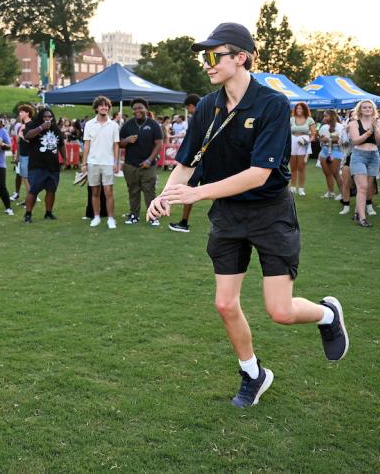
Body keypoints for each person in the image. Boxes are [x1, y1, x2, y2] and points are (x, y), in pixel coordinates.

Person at [147, 22, 348, 408]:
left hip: (270, 212)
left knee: (281, 311)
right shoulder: (207, 105)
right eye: (204, 57)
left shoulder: (272, 104)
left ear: (240, 58)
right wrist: (167, 194)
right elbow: (187, 162)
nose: (206, 64)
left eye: (213, 56)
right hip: (228, 215)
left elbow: (259, 174)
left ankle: (327, 314)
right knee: (224, 303)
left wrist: (196, 193)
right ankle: (253, 373)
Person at [119, 97, 163, 226]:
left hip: (148, 165)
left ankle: (153, 216)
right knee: (133, 190)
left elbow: (159, 144)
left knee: (149, 190)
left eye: (140, 108)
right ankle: (134, 215)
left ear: (146, 109)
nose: (137, 110)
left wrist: (149, 160)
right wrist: (126, 140)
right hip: (130, 164)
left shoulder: (153, 124)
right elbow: (119, 143)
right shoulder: (128, 124)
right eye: (135, 108)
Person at [81, 96, 121, 229]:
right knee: (95, 192)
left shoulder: (114, 125)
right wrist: (84, 163)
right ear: (97, 108)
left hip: (108, 163)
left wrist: (116, 162)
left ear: (109, 108)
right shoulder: (89, 124)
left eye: (106, 106)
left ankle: (111, 218)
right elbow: (86, 144)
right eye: (101, 105)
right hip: (93, 162)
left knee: (109, 192)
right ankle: (96, 217)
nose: (104, 108)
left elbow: (116, 145)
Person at [22, 108, 66, 222]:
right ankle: (28, 213)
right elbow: (27, 136)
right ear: (41, 117)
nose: (48, 119)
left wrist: (65, 159)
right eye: (45, 117)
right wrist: (41, 127)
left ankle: (48, 212)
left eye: (50, 117)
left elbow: (61, 144)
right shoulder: (33, 125)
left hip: (53, 165)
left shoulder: (55, 129)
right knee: (34, 190)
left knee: (52, 190)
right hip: (37, 165)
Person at [169, 94, 203, 233]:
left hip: (199, 160)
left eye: (188, 108)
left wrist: (185, 159)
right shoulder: (212, 114)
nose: (188, 111)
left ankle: (184, 222)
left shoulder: (197, 117)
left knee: (190, 188)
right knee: (215, 189)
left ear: (191, 106)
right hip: (210, 159)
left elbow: (193, 141)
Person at [348, 100, 380, 227]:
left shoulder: (379, 122)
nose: (368, 109)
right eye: (365, 107)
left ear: (373, 109)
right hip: (359, 156)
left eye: (370, 107)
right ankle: (362, 218)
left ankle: (357, 212)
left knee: (367, 188)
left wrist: (375, 128)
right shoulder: (354, 123)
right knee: (362, 187)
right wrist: (369, 132)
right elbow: (356, 141)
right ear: (360, 110)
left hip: (374, 156)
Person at [289, 102, 316, 196]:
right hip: (292, 143)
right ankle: (292, 188)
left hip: (303, 144)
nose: (299, 110)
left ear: (305, 109)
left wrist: (306, 141)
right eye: (297, 108)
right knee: (293, 167)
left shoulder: (309, 119)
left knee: (301, 167)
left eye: (301, 108)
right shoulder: (291, 119)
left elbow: (313, 136)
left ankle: (301, 189)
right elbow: (287, 133)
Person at [317, 110, 344, 200]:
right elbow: (320, 138)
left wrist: (328, 139)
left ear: (332, 117)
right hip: (324, 151)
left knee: (335, 172)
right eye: (324, 116)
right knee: (327, 173)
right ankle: (331, 192)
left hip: (335, 151)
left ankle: (343, 193)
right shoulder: (323, 127)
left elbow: (341, 140)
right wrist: (322, 139)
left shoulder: (340, 127)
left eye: (326, 116)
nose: (324, 118)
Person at [11, 104, 34, 202]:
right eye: (19, 112)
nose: (19, 114)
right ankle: (28, 199)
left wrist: (22, 135)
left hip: (29, 155)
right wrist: (17, 155)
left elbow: (32, 140)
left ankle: (30, 199)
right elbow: (18, 142)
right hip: (23, 155)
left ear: (27, 113)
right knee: (25, 178)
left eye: (22, 112)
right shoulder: (22, 125)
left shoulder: (32, 125)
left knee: (26, 178)